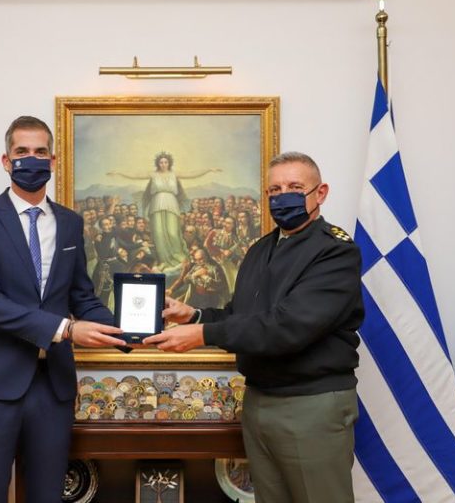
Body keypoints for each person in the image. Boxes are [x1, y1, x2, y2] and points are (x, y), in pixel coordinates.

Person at [145, 151, 363, 503]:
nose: (283, 196)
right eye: (275, 190)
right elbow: (240, 315)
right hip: (259, 400)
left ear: (320, 193)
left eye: (295, 187)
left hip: (311, 404)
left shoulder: (334, 252)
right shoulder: (261, 249)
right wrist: (194, 316)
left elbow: (287, 327)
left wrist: (202, 335)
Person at [0, 115, 126, 503]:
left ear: (52, 160)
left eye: (39, 152)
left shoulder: (70, 223)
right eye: (22, 152)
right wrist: (66, 329)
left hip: (53, 387)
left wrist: (133, 329)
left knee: (48, 495)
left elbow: (81, 296)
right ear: (6, 161)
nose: (31, 159)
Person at [106, 151, 220, 268]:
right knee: (159, 233)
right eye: (161, 162)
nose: (163, 164)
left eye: (165, 162)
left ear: (169, 163)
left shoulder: (174, 174)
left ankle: (177, 257)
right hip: (156, 205)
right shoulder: (153, 174)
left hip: (171, 204)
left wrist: (208, 170)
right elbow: (136, 175)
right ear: (158, 163)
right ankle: (164, 260)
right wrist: (119, 172)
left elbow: (191, 174)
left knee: (172, 232)